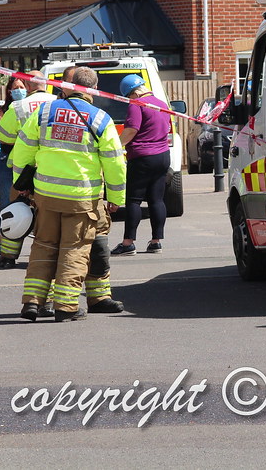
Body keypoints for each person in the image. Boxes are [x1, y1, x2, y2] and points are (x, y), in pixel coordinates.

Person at [10, 66, 126, 322]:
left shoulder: (43, 112)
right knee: (75, 251)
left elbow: (23, 150)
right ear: (93, 90)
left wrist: (23, 184)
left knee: (43, 247)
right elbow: (115, 163)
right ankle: (66, 306)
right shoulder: (100, 119)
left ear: (66, 87)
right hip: (81, 199)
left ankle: (32, 303)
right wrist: (116, 198)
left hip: (46, 195)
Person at [0, 70, 55, 267]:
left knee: (17, 210)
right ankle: (45, 255)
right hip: (51, 167)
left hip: (23, 169)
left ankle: (8, 256)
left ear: (27, 86)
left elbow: (3, 136)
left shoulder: (18, 106)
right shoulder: (59, 103)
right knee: (47, 213)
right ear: (46, 83)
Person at [110, 74, 171, 256]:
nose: (129, 100)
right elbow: (166, 126)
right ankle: (156, 242)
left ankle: (128, 243)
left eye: (128, 96)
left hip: (142, 157)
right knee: (156, 199)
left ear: (132, 93)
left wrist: (115, 146)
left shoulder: (137, 105)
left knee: (134, 200)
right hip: (163, 156)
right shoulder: (161, 103)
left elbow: (130, 131)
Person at [0, 78, 27, 259]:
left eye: (22, 87)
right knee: (6, 202)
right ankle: (2, 245)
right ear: (9, 91)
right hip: (8, 159)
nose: (19, 90)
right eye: (15, 88)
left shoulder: (31, 107)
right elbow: (3, 136)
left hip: (28, 161)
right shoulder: (6, 109)